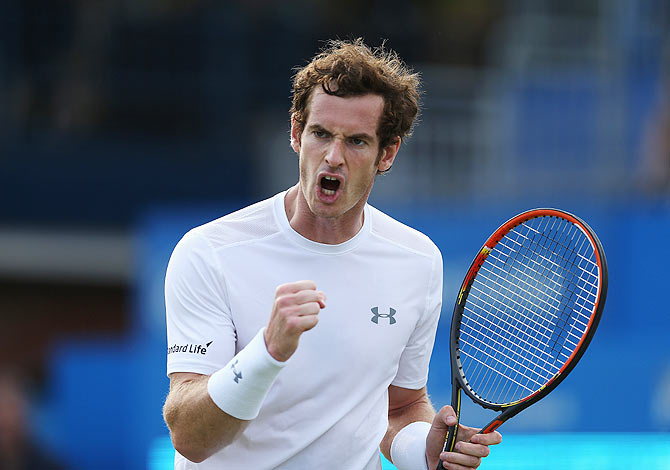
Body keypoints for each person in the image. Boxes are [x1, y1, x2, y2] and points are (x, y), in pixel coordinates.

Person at [162, 38, 502, 470]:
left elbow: (399, 409)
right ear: (295, 133)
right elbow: (190, 438)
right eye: (320, 134)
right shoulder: (209, 251)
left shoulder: (417, 261)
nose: (333, 157)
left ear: (388, 153)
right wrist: (266, 353)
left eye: (357, 141)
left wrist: (424, 452)